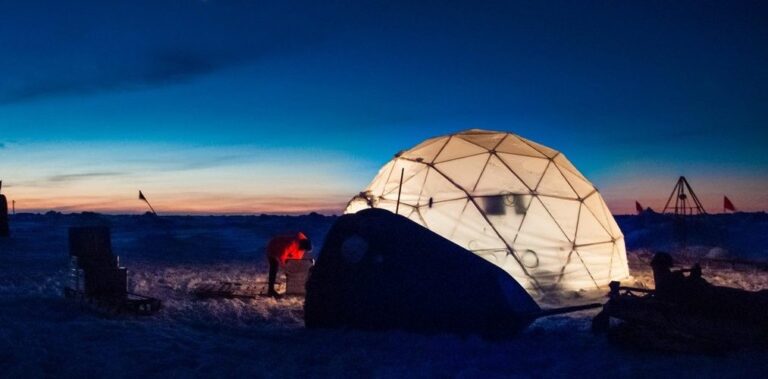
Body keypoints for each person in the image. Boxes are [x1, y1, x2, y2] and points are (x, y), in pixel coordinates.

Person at [265, 232, 312, 298]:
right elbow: (281, 256)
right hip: (273, 247)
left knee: (291, 269)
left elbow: (296, 259)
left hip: (283, 250)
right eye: (304, 249)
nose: (304, 251)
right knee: (274, 266)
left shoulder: (302, 246)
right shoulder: (291, 244)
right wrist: (286, 269)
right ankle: (270, 290)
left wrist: (294, 271)